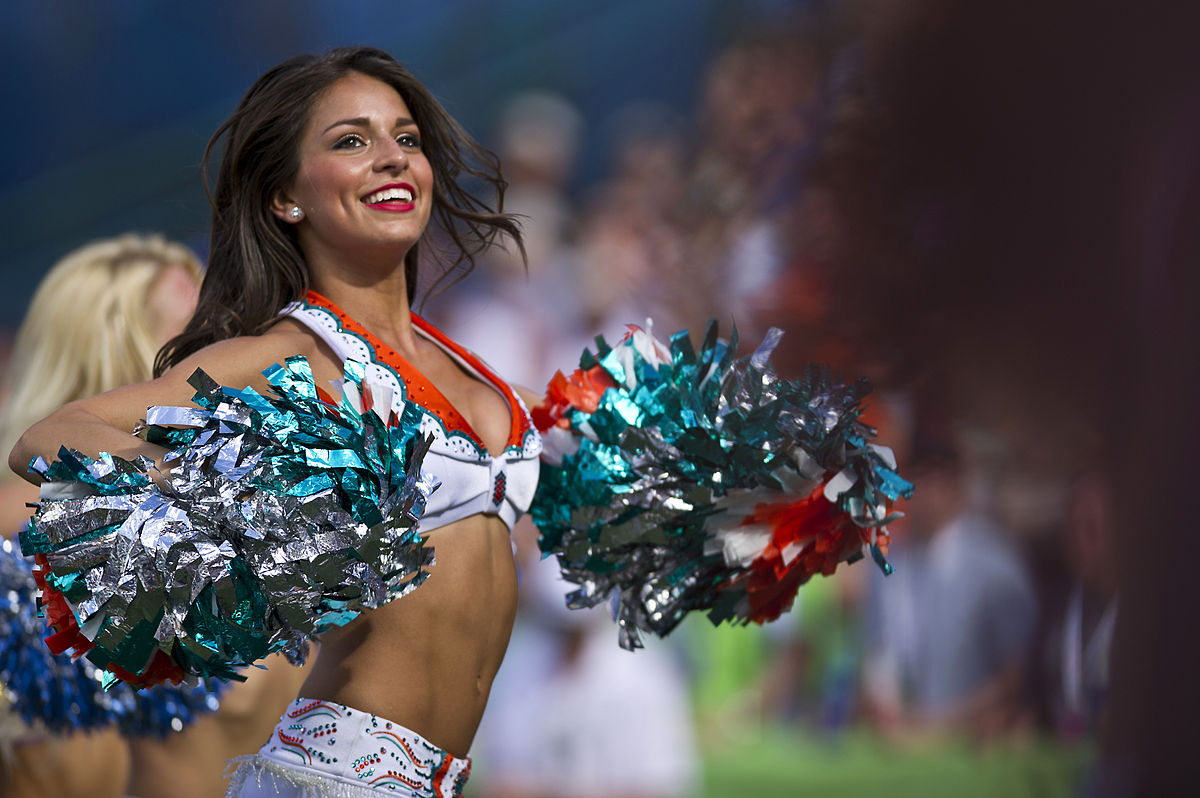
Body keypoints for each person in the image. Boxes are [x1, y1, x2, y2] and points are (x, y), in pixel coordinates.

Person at [11, 47, 530, 798]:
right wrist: (228, 492)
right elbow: (49, 438)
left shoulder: (475, 371)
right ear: (287, 196)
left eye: (406, 138)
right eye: (351, 141)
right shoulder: (285, 356)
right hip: (339, 774)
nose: (391, 159)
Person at [0, 233, 202, 798]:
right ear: (114, 355)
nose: (221, 356)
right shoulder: (12, 535)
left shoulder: (229, 513)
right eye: (192, 340)